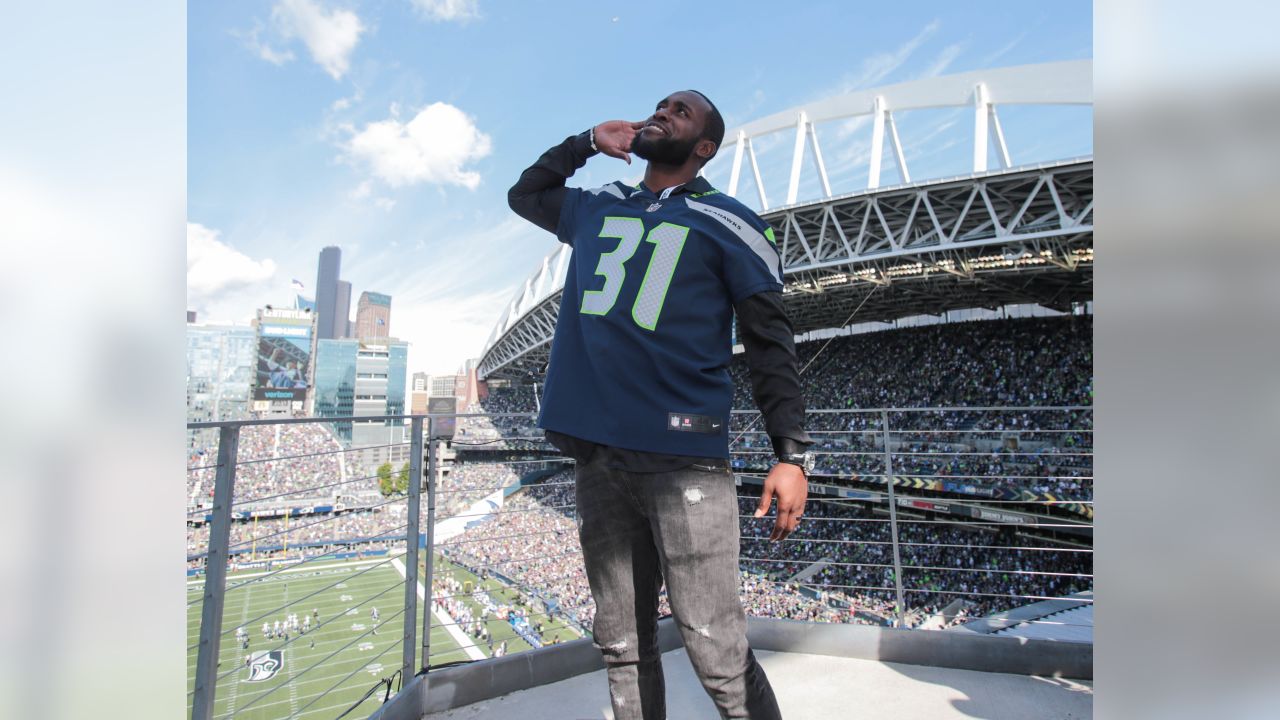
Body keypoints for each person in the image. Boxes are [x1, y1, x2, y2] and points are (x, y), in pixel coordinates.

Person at [508, 90, 813, 719]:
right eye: (661, 103)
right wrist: (587, 142)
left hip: (684, 462)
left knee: (716, 649)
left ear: (703, 148)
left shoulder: (735, 223)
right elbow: (526, 193)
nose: (661, 111)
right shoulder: (598, 206)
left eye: (681, 111)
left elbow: (769, 344)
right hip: (598, 458)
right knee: (621, 642)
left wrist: (791, 453)